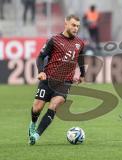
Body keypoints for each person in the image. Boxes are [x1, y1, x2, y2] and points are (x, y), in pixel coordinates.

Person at [28, 14, 85, 145]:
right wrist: (41, 71)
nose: (76, 28)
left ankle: (36, 135)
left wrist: (82, 74)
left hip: (65, 82)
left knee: (54, 105)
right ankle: (32, 123)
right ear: (66, 23)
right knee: (37, 108)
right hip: (48, 79)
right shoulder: (54, 40)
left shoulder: (80, 43)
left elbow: (81, 59)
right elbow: (40, 57)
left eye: (78, 26)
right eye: (73, 25)